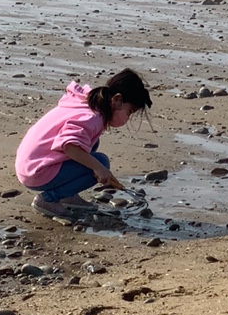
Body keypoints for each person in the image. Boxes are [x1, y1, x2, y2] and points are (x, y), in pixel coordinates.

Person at [14, 69, 152, 218]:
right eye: (129, 112)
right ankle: (48, 200)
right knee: (101, 162)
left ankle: (67, 195)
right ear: (117, 100)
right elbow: (69, 145)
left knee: (92, 143)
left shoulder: (87, 102)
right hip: (36, 172)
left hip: (30, 163)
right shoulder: (92, 118)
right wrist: (99, 168)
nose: (127, 119)